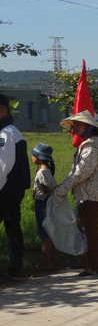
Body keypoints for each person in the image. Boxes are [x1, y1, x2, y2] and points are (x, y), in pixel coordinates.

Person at [53, 111, 98, 276]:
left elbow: (81, 172)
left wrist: (62, 187)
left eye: (79, 124)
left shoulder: (91, 148)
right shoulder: (92, 145)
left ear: (89, 126)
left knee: (89, 228)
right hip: (92, 193)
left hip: (90, 194)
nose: (75, 127)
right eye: (75, 125)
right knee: (94, 227)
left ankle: (92, 264)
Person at [0, 93, 31, 281]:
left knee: (13, 227)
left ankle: (15, 268)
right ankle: (15, 269)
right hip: (14, 188)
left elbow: (2, 167)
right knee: (13, 227)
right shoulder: (10, 132)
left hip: (6, 188)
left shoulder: (5, 134)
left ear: (3, 111)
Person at [30, 143, 57, 271]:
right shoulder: (48, 171)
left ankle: (46, 262)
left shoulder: (42, 172)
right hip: (47, 204)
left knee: (44, 234)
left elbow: (47, 190)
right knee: (49, 233)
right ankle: (50, 261)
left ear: (40, 158)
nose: (32, 158)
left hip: (43, 204)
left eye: (34, 155)